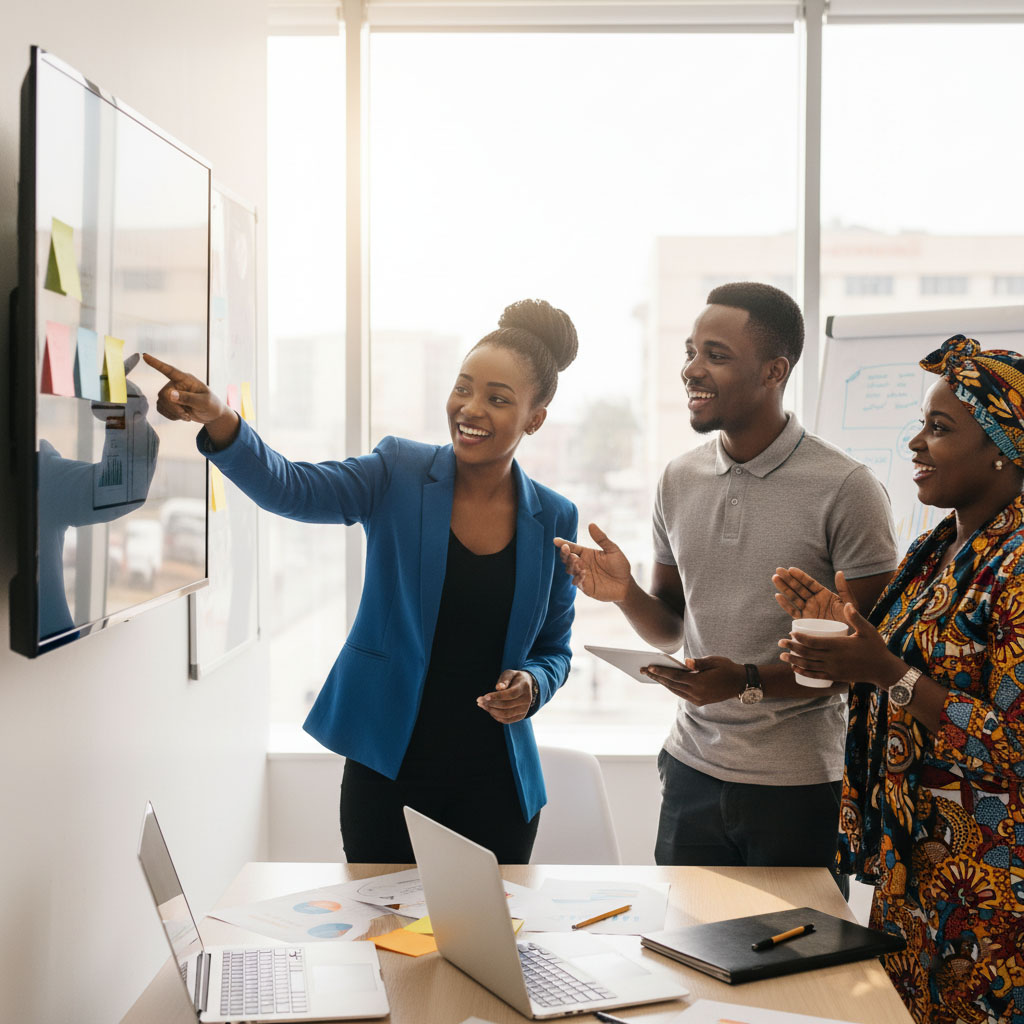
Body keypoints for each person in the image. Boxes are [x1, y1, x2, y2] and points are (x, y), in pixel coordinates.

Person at [144, 299, 579, 864]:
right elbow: (292, 489)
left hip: (496, 786)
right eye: (463, 387)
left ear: (535, 417)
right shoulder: (397, 471)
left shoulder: (554, 516)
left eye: (498, 399)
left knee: (490, 949)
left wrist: (533, 683)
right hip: (388, 772)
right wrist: (221, 420)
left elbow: (554, 648)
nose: (470, 408)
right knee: (380, 939)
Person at [555, 282, 897, 877]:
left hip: (800, 786)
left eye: (715, 355)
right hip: (691, 769)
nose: (691, 369)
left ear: (774, 370)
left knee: (793, 963)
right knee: (685, 954)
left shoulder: (847, 488)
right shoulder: (678, 479)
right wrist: (625, 594)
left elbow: (865, 663)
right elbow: (669, 629)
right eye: (690, 351)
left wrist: (744, 682)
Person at [775, 335, 1024, 1024]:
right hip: (916, 874)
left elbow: (1014, 744)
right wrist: (841, 645)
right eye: (920, 424)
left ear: (1003, 446)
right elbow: (898, 675)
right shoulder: (937, 547)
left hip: (994, 892)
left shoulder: (1021, 565)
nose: (916, 444)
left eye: (939, 429)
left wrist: (882, 667)